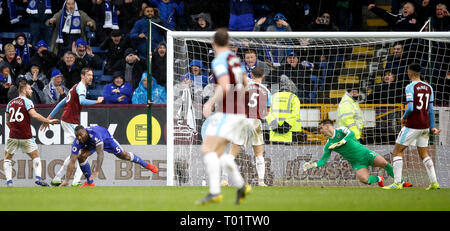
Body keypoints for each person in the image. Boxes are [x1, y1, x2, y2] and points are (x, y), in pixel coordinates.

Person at [197, 28, 251, 205]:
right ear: (228, 42)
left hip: (228, 112)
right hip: (240, 112)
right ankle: (241, 186)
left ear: (214, 43)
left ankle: (215, 192)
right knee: (219, 152)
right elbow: (246, 83)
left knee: (209, 149)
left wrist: (210, 102)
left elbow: (225, 85)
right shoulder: (234, 59)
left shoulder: (219, 60)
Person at [40, 67, 104, 187]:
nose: (91, 77)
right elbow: (82, 101)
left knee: (77, 153)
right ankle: (75, 181)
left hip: (68, 121)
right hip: (70, 122)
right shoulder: (81, 87)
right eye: (89, 75)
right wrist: (96, 101)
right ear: (82, 76)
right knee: (81, 153)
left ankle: (57, 178)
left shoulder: (75, 87)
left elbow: (61, 103)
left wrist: (49, 117)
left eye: (92, 75)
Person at [383, 63, 441, 190]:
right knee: (424, 154)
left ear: (410, 73)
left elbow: (410, 107)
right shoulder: (428, 87)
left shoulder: (410, 87)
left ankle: (397, 183)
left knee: (397, 151)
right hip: (425, 126)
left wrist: (404, 117)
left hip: (413, 125)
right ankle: (434, 182)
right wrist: (432, 127)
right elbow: (430, 110)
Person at [302, 119, 394, 187]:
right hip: (356, 163)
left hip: (365, 154)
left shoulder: (341, 130)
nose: (320, 131)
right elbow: (323, 160)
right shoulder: (328, 144)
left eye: (321, 128)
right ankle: (379, 179)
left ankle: (400, 182)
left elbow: (352, 133)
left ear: (327, 126)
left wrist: (342, 142)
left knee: (384, 163)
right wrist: (312, 165)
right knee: (365, 180)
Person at [59, 125, 158, 187]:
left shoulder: (95, 133)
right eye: (77, 136)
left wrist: (97, 171)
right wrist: (67, 180)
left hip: (106, 140)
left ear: (85, 131)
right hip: (91, 144)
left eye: (81, 134)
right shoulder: (77, 142)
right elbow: (72, 161)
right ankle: (90, 183)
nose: (79, 138)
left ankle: (146, 165)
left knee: (124, 155)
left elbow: (100, 153)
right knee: (81, 156)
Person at [3, 82, 59, 187]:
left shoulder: (10, 103)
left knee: (7, 157)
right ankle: (38, 178)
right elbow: (34, 114)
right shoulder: (27, 101)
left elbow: (7, 121)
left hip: (13, 136)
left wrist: (15, 129)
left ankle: (9, 182)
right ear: (23, 90)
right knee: (35, 155)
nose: (31, 91)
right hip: (26, 136)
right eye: (29, 89)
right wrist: (48, 121)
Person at [222, 67, 271, 187]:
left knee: (232, 152)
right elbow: (267, 112)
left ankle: (224, 180)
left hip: (241, 120)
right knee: (258, 153)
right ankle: (261, 181)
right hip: (255, 121)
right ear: (263, 76)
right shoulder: (266, 91)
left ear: (252, 75)